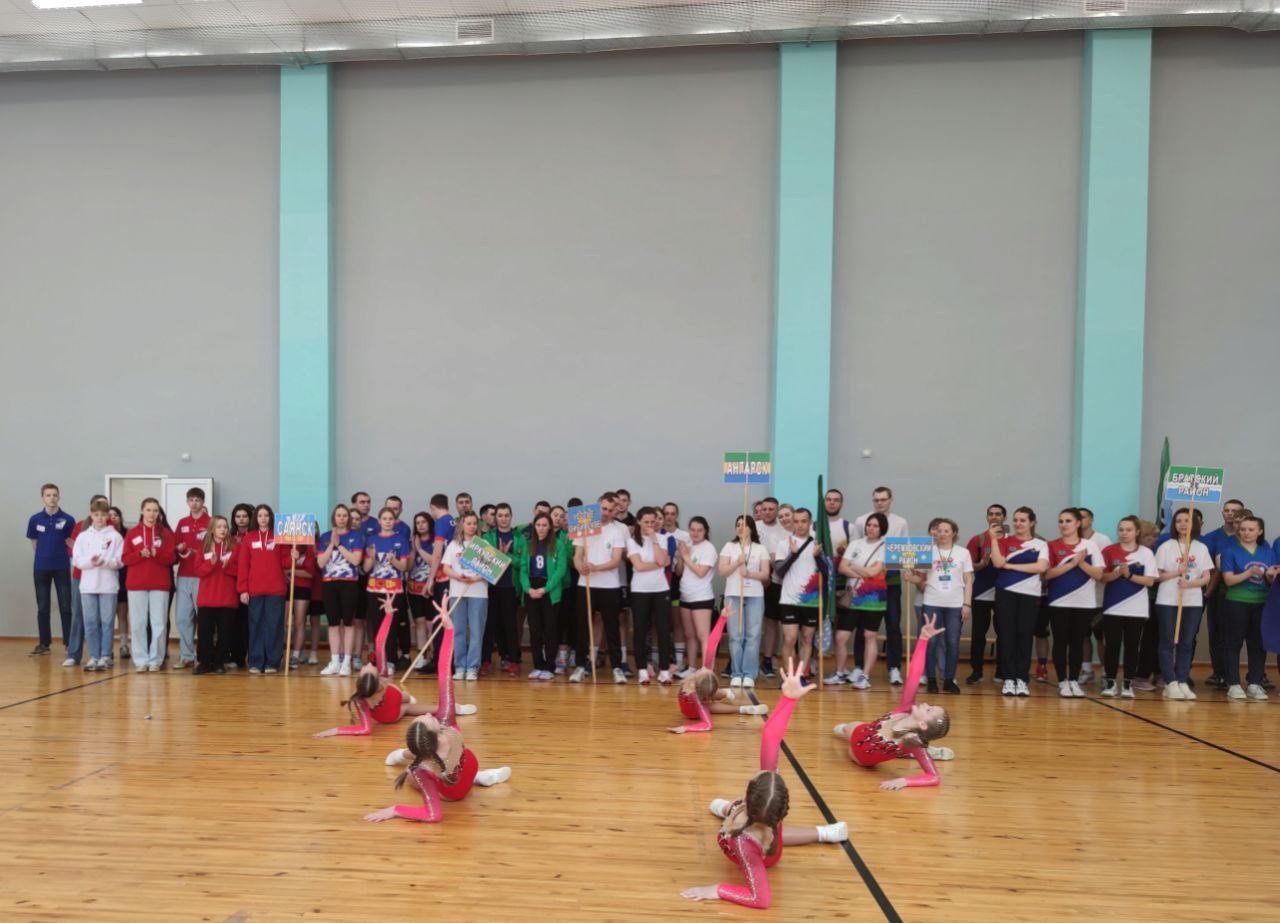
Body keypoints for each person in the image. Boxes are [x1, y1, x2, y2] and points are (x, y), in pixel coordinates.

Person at [681, 660, 847, 909]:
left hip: (762, 851)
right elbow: (771, 736)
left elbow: (760, 899)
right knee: (739, 811)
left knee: (748, 821)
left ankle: (822, 833)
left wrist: (717, 889)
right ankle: (727, 808)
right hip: (763, 820)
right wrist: (788, 699)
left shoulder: (744, 843)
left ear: (749, 795)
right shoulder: (772, 799)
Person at [362, 610, 509, 822]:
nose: (427, 714)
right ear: (434, 731)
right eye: (426, 718)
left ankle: (403, 755)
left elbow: (433, 815)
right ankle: (479, 777)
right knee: (420, 768)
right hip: (466, 770)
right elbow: (444, 674)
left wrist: (396, 809)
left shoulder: (423, 768)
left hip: (453, 790)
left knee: (412, 774)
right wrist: (449, 630)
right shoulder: (447, 722)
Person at [314, 605, 477, 738]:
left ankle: (410, 699)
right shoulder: (381, 676)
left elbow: (365, 729)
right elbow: (379, 643)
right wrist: (389, 616)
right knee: (406, 705)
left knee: (405, 701)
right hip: (392, 709)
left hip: (388, 710)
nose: (368, 664)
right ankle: (454, 708)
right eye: (369, 667)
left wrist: (336, 730)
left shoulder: (360, 697)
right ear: (377, 679)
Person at [832, 615, 953, 788]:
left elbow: (934, 778)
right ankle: (912, 754)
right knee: (842, 729)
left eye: (929, 710)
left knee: (849, 745)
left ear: (923, 725)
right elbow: (914, 675)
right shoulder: (905, 708)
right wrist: (923, 639)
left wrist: (905, 781)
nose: (926, 704)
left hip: (860, 758)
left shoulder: (912, 741)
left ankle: (917, 753)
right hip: (862, 729)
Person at [671, 604, 770, 733]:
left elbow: (707, 725)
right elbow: (712, 643)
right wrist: (722, 618)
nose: (703, 668)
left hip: (695, 706)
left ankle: (740, 706)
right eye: (704, 670)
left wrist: (686, 728)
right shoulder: (700, 689)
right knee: (710, 703)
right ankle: (731, 698)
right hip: (699, 701)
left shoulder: (697, 689)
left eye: (702, 671)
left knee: (710, 705)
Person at [903, 519, 973, 695]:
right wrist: (911, 578)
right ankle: (932, 680)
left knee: (952, 642)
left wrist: (967, 604)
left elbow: (968, 580)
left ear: (954, 533)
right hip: (932, 602)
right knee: (931, 641)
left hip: (955, 604)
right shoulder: (927, 552)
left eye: (946, 531)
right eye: (939, 530)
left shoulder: (963, 553)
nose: (942, 534)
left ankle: (949, 679)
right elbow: (921, 579)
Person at [1153, 508, 1213, 700]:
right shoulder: (1166, 546)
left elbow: (1206, 576)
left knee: (1186, 642)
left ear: (1194, 523)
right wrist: (1177, 572)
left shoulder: (1201, 548)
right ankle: (1170, 683)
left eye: (1187, 520)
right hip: (1167, 600)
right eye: (1178, 520)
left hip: (1192, 601)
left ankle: (1182, 681)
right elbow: (1156, 576)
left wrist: (1191, 584)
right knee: (1167, 641)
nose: (1182, 524)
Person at [1043, 509, 1104, 698]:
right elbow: (1046, 574)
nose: (1063, 524)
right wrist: (1071, 564)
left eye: (1068, 520)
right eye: (1061, 521)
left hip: (1084, 603)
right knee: (1060, 642)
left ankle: (1074, 681)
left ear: (1078, 523)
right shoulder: (1051, 545)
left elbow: (1099, 574)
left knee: (1077, 643)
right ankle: (1062, 682)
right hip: (1058, 602)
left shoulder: (1090, 546)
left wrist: (1081, 563)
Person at [989, 507, 1049, 696]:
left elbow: (1040, 567)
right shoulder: (1003, 541)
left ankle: (1022, 679)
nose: (1018, 523)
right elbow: (997, 563)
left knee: (1025, 635)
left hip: (1030, 595)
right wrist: (993, 539)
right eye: (1015, 520)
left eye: (1022, 520)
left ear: (1032, 522)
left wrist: (1010, 565)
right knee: (1006, 635)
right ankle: (1008, 679)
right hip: (1005, 593)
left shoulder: (1041, 544)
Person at [570, 493, 629, 684]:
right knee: (582, 626)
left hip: (609, 585)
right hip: (585, 584)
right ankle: (580, 666)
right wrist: (580, 567)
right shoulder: (584, 525)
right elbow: (577, 555)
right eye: (603, 509)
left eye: (610, 510)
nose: (606, 513)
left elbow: (616, 560)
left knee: (612, 626)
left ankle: (617, 667)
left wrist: (596, 568)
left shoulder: (618, 531)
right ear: (597, 507)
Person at [1217, 515, 1277, 701]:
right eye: (1243, 529)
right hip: (1237, 602)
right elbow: (1228, 580)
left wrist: (1270, 575)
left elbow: (1271, 580)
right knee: (1233, 643)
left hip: (1262, 603)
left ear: (1259, 531)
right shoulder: (1230, 551)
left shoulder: (1268, 552)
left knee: (1258, 644)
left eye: (1251, 529)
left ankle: (1254, 683)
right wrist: (1249, 572)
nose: (1246, 533)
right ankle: (1233, 684)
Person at [852, 487, 909, 684]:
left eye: (883, 499)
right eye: (876, 499)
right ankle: (859, 666)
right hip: (866, 582)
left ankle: (894, 668)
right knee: (863, 625)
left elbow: (905, 552)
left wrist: (908, 569)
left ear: (890, 500)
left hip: (890, 579)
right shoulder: (861, 520)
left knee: (893, 623)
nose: (879, 503)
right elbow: (856, 548)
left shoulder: (900, 522)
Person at [1097, 516, 1157, 697]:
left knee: (1132, 646)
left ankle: (1128, 685)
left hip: (1136, 608)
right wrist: (1117, 573)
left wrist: (1129, 575)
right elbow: (1102, 577)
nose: (1124, 533)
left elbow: (1149, 581)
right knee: (1112, 646)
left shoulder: (1146, 553)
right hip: (1113, 607)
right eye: (1121, 529)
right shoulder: (1109, 551)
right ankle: (1110, 683)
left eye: (1128, 530)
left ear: (1137, 532)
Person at [121, 498, 176, 672]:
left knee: (159, 623)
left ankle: (156, 660)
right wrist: (140, 554)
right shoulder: (132, 533)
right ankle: (140, 660)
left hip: (160, 584)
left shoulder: (166, 533)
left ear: (159, 513)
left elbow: (171, 558)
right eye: (149, 510)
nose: (152, 514)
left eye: (155, 510)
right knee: (138, 623)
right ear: (142, 511)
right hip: (136, 584)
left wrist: (156, 553)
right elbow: (125, 559)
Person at [236, 504, 291, 675]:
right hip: (255, 589)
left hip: (276, 588)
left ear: (270, 517)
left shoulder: (279, 537)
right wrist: (243, 589)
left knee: (274, 626)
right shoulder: (249, 538)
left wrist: (293, 556)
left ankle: (273, 662)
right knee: (256, 625)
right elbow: (243, 565)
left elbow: (286, 562)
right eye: (260, 515)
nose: (263, 518)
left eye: (266, 515)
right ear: (256, 518)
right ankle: (256, 661)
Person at [70, 499, 124, 672]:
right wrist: (91, 562)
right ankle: (93, 656)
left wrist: (105, 562)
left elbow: (120, 561)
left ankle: (105, 656)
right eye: (96, 515)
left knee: (107, 622)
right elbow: (77, 560)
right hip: (87, 587)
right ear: (91, 515)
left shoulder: (115, 536)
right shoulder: (83, 536)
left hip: (108, 586)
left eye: (102, 515)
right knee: (90, 622)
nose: (99, 518)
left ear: (107, 516)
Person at [835, 513, 888, 689]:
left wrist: (853, 566)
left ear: (882, 529)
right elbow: (842, 567)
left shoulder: (884, 547)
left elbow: (874, 573)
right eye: (869, 525)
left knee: (869, 636)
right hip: (852, 596)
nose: (871, 528)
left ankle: (865, 676)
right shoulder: (855, 544)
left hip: (874, 598)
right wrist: (863, 571)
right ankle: (839, 673)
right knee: (841, 637)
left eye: (875, 526)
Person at [773, 508, 824, 684]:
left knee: (807, 639)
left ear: (810, 522)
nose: (800, 525)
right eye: (796, 521)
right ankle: (789, 676)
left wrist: (818, 557)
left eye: (804, 521)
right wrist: (793, 554)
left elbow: (827, 573)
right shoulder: (784, 543)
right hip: (789, 598)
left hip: (811, 599)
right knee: (789, 639)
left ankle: (800, 675)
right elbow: (779, 571)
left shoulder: (818, 543)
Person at [718, 515, 770, 688]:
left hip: (755, 595)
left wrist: (749, 573)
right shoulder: (729, 546)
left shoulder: (760, 548)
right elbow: (722, 571)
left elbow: (765, 574)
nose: (740, 527)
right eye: (738, 524)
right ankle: (736, 672)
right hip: (733, 594)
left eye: (744, 525)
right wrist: (737, 563)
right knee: (735, 636)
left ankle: (749, 673)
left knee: (753, 635)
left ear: (751, 529)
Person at [514, 512, 567, 679]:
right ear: (534, 526)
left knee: (550, 629)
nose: (541, 528)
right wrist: (528, 589)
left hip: (549, 590)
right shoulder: (529, 544)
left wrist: (546, 589)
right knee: (535, 630)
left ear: (550, 527)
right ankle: (538, 665)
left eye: (544, 525)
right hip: (532, 589)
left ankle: (549, 666)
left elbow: (560, 570)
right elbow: (523, 569)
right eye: (538, 525)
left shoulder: (558, 545)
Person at [27, 483, 76, 658]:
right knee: (43, 607)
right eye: (48, 495)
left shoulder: (68, 519)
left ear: (59, 497)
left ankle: (69, 643)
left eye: (55, 495)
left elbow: (71, 543)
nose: (52, 498)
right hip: (41, 568)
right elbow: (34, 543)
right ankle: (44, 643)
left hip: (62, 567)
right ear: (42, 498)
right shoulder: (35, 519)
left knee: (66, 606)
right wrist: (45, 556)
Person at [626, 506, 673, 685]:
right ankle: (642, 670)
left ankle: (664, 670)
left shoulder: (663, 538)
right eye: (646, 522)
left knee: (663, 630)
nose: (650, 525)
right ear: (638, 521)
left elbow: (662, 560)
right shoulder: (632, 541)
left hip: (661, 589)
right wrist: (660, 564)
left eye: (653, 522)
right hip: (640, 590)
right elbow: (639, 566)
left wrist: (654, 540)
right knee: (640, 630)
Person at [1201, 498, 1245, 689]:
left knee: (1241, 635)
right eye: (1227, 510)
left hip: (1245, 594)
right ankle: (1219, 672)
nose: (1230, 514)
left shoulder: (1251, 537)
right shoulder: (1211, 537)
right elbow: (1208, 568)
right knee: (1217, 633)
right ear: (1223, 513)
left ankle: (1253, 675)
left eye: (1235, 511)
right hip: (1218, 593)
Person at [317, 504, 365, 676]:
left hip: (349, 583)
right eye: (339, 515)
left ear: (348, 518)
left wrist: (340, 546)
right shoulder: (325, 537)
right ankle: (335, 661)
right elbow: (320, 563)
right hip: (329, 583)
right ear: (334, 517)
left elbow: (356, 560)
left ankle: (346, 662)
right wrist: (332, 545)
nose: (342, 518)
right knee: (333, 624)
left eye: (345, 515)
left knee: (349, 623)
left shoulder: (356, 536)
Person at [441, 511, 489, 680]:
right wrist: (458, 576)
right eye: (468, 523)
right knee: (458, 630)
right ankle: (460, 666)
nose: (472, 526)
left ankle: (473, 667)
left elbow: (490, 570)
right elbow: (446, 568)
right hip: (457, 592)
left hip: (479, 593)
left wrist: (475, 578)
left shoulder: (483, 545)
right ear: (461, 525)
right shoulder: (454, 545)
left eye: (474, 523)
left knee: (476, 631)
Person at [364, 506, 411, 676]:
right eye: (384, 519)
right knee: (377, 626)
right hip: (374, 589)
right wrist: (371, 557)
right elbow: (366, 568)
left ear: (394, 521)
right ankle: (379, 659)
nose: (388, 521)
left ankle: (390, 660)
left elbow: (404, 567)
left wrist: (393, 560)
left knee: (391, 626)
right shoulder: (371, 540)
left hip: (394, 589)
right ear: (379, 521)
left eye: (390, 519)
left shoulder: (401, 540)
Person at [965, 504, 1006, 684]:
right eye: (991, 514)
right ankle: (976, 671)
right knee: (978, 635)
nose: (994, 517)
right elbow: (968, 566)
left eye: (998, 514)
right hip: (981, 593)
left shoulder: (1011, 540)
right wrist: (982, 564)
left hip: (1004, 594)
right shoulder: (978, 540)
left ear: (1004, 517)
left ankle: (1001, 672)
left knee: (1004, 634)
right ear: (987, 517)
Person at [171, 487, 210, 670]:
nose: (194, 503)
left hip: (203, 577)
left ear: (203, 502)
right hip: (184, 575)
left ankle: (204, 656)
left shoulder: (211, 522)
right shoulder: (182, 522)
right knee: (182, 618)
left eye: (197, 500)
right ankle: (187, 656)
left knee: (204, 618)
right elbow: (175, 546)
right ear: (187, 502)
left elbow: (215, 549)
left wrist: (197, 553)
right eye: (191, 500)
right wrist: (179, 549)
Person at [193, 516, 238, 675]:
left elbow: (240, 570)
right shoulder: (203, 547)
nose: (223, 530)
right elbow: (198, 570)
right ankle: (205, 663)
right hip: (207, 598)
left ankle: (219, 663)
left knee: (225, 633)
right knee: (204, 632)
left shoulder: (235, 547)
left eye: (225, 526)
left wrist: (227, 567)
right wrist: (210, 565)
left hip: (227, 598)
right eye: (219, 526)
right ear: (212, 529)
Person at [481, 503, 521, 677]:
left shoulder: (519, 537)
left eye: (506, 515)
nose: (503, 519)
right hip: (490, 587)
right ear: (495, 518)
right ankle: (485, 661)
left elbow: (522, 563)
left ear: (511, 517)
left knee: (510, 625)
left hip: (510, 586)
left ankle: (513, 661)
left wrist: (506, 556)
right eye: (500, 515)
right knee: (489, 625)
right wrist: (499, 555)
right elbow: (483, 561)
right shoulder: (487, 536)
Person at [754, 497, 788, 679]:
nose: (767, 512)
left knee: (773, 622)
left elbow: (779, 559)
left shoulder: (783, 530)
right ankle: (748, 659)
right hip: (755, 580)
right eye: (764, 509)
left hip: (776, 581)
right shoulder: (754, 526)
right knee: (754, 622)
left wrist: (769, 573)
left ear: (777, 510)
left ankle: (769, 658)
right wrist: (761, 574)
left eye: (771, 509)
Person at [406, 511, 436, 674]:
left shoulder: (436, 541)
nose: (421, 525)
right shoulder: (412, 541)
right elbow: (408, 567)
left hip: (431, 588)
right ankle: (421, 655)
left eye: (423, 522)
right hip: (414, 588)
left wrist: (419, 549)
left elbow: (435, 561)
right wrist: (413, 550)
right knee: (419, 622)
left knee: (431, 624)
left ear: (429, 523)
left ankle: (434, 655)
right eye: (418, 523)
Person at [227, 503, 256, 669]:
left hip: (251, 584)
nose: (241, 519)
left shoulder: (254, 536)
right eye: (238, 516)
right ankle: (236, 656)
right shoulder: (229, 537)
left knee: (250, 622)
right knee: (235, 622)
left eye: (244, 516)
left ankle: (253, 656)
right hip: (231, 584)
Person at [285, 538, 317, 671]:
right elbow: (281, 566)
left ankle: (295, 656)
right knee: (285, 621)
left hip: (303, 589)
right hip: (287, 588)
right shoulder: (287, 548)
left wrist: (290, 571)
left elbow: (309, 573)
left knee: (299, 622)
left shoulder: (308, 550)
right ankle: (281, 654)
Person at [107, 506, 130, 661]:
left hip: (123, 578)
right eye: (110, 515)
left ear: (120, 517)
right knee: (108, 617)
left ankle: (123, 645)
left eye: (116, 515)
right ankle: (107, 648)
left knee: (122, 615)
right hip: (108, 579)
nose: (113, 517)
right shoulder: (105, 535)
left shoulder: (127, 534)